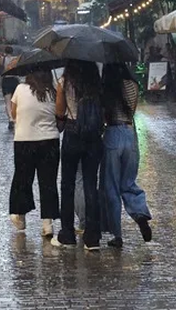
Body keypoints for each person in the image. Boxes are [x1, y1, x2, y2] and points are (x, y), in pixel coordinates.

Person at [99, 63, 152, 248]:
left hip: (112, 133)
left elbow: (104, 115)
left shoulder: (106, 87)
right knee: (128, 182)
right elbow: (133, 110)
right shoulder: (133, 85)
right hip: (130, 133)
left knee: (111, 187)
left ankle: (117, 235)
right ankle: (140, 214)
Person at [54, 60, 104, 251]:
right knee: (91, 183)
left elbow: (59, 110)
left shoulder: (64, 81)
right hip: (93, 135)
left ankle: (67, 233)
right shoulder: (96, 81)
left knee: (67, 184)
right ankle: (92, 237)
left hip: (73, 133)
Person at [8, 69, 61, 238]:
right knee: (48, 182)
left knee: (23, 179)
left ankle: (20, 216)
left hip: (24, 140)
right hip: (50, 141)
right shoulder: (53, 92)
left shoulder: (20, 89)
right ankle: (47, 223)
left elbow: (14, 114)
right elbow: (60, 115)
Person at [1, 46, 20, 131]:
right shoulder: (16, 59)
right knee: (15, 101)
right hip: (15, 80)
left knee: (8, 102)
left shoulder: (2, 59)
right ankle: (15, 117)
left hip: (6, 80)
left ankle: (10, 119)